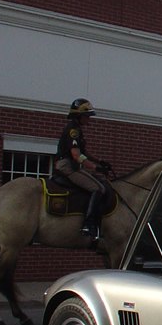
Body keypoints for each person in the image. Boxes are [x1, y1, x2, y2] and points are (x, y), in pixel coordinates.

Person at [54, 98, 110, 240]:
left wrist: (100, 161)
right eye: (87, 116)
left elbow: (84, 153)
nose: (89, 119)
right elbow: (76, 155)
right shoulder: (73, 130)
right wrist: (95, 168)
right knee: (97, 189)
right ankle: (88, 224)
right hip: (68, 167)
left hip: (72, 165)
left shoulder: (77, 129)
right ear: (79, 116)